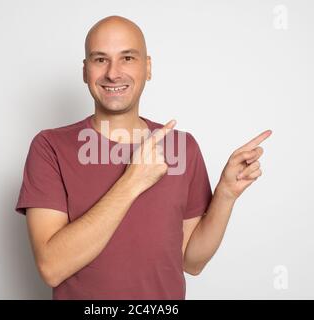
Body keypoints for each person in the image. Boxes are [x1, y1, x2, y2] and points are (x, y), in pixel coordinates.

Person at [15, 15, 272, 300]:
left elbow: (192, 261)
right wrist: (133, 180)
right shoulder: (50, 147)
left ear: (147, 68)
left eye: (127, 58)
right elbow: (52, 267)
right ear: (85, 71)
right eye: (100, 59)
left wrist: (225, 195)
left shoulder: (182, 147)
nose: (113, 73)